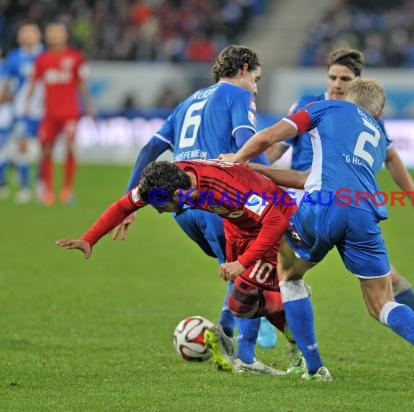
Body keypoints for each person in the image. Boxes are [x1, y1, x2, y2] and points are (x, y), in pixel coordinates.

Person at [220, 79, 414, 389]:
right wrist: (262, 172)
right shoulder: (376, 135)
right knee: (381, 302)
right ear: (380, 111)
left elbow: (267, 137)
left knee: (289, 276)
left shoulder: (327, 107)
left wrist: (238, 160)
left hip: (324, 205)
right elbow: (309, 178)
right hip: (365, 212)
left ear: (346, 98)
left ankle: (315, 366)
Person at [266, 48, 414, 351]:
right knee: (270, 258)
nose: (337, 84)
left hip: (344, 201)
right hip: (304, 196)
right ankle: (267, 326)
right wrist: (258, 169)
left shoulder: (366, 116)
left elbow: (391, 158)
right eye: (333, 77)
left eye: (345, 79)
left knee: (387, 275)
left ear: (357, 81)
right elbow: (278, 146)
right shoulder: (309, 104)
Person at [109, 45, 278, 369]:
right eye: (256, 79)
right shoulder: (238, 95)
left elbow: (150, 148)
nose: (255, 87)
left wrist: (130, 202)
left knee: (239, 268)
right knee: (253, 267)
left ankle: (226, 337)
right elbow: (250, 142)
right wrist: (276, 185)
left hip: (183, 212)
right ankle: (245, 353)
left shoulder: (187, 102)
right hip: (217, 200)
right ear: (244, 68)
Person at [55, 159, 303, 376]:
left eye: (160, 206)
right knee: (244, 299)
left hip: (276, 219)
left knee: (246, 294)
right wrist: (90, 239)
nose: (160, 212)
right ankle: (286, 321)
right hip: (239, 225)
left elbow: (276, 220)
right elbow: (123, 206)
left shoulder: (222, 188)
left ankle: (303, 352)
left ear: (177, 194)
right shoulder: (164, 182)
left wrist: (242, 262)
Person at [26, 22, 95, 205]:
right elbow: (34, 83)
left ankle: (67, 190)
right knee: (45, 150)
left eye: (58, 33)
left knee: (70, 147)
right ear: (47, 36)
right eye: (51, 33)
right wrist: (27, 103)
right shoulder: (42, 59)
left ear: (65, 35)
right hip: (49, 113)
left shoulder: (75, 57)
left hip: (69, 112)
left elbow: (81, 83)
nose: (55, 36)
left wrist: (89, 105)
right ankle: (47, 190)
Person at [0, 22, 43, 203]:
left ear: (38, 35)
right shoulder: (14, 57)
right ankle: (25, 186)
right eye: (23, 33)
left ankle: (41, 184)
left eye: (30, 33)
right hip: (22, 110)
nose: (26, 36)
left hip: (44, 110)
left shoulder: (46, 56)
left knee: (42, 150)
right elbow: (5, 82)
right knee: (22, 147)